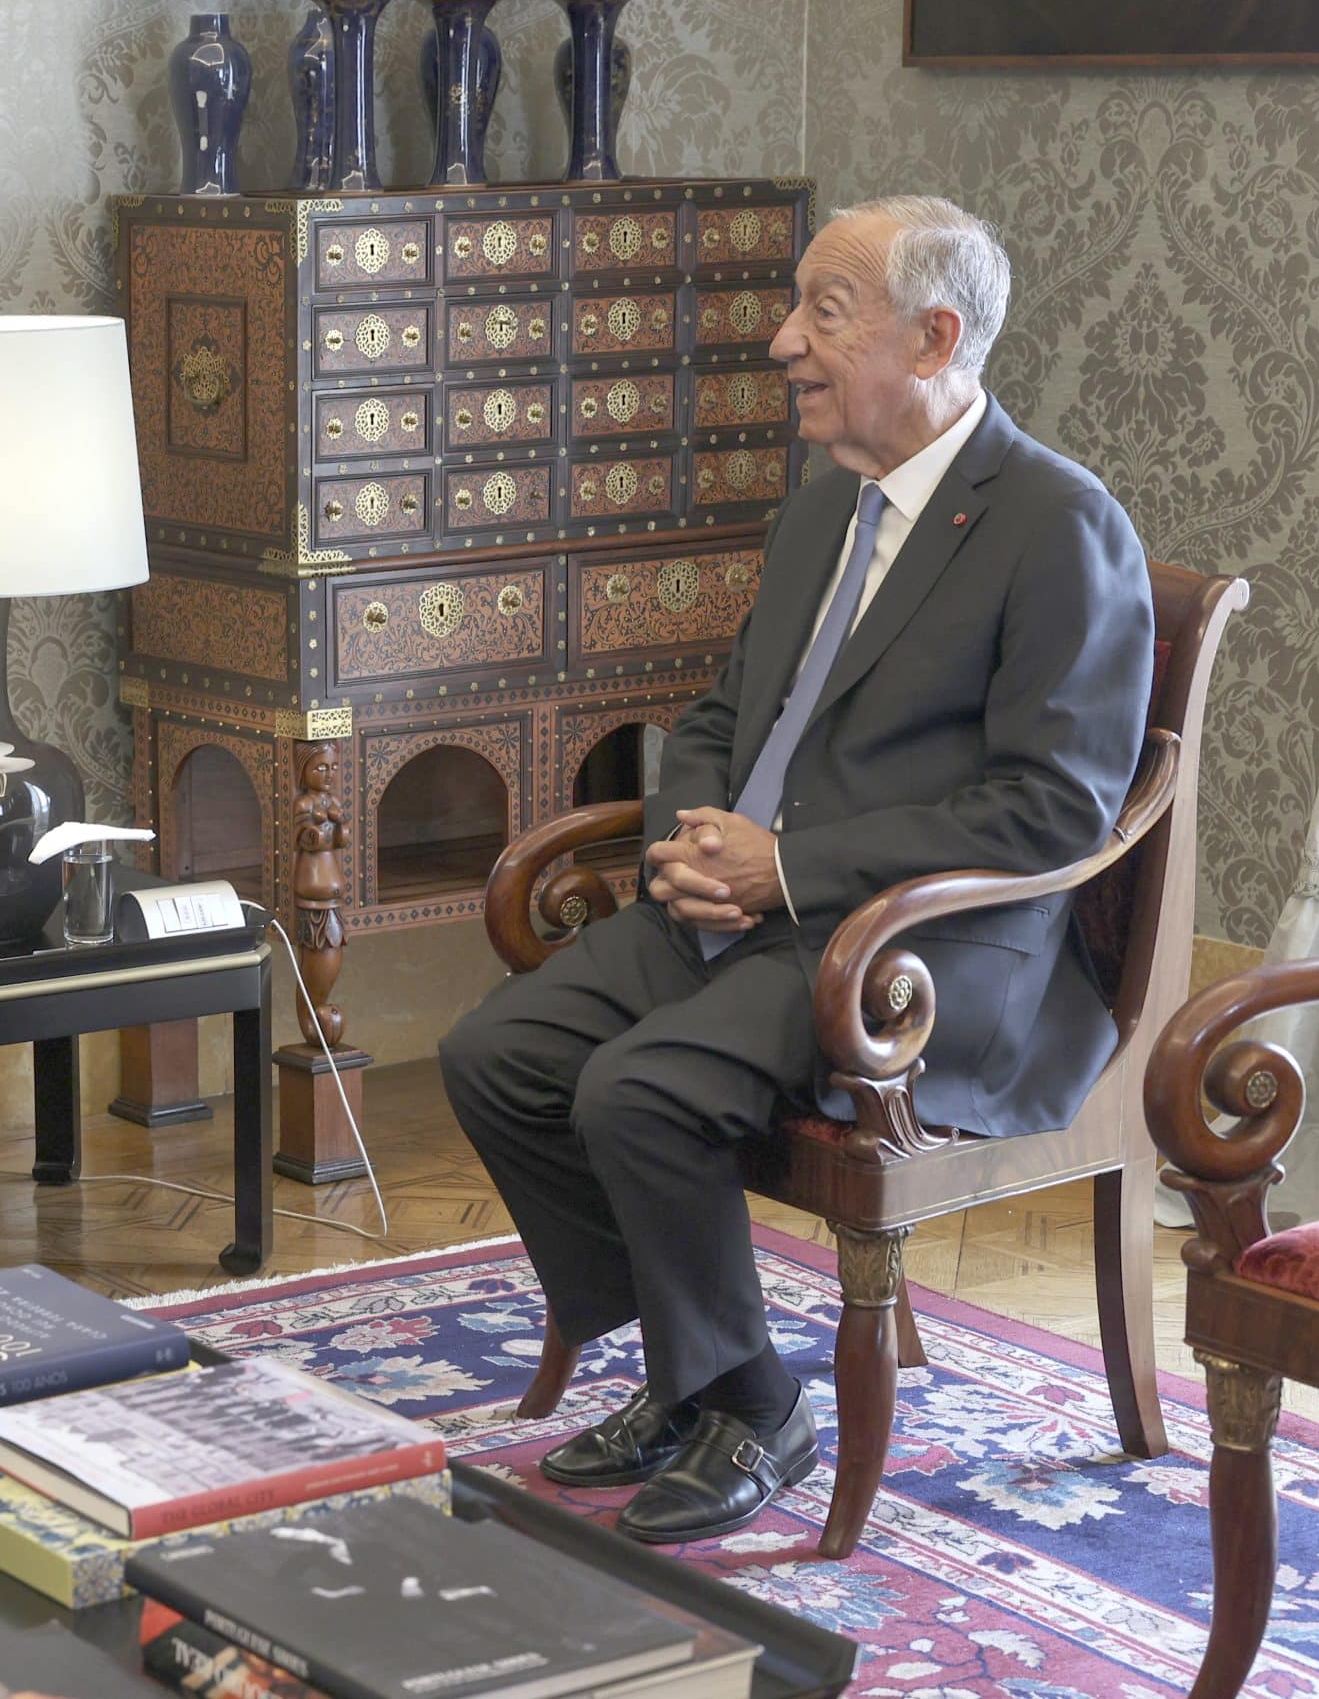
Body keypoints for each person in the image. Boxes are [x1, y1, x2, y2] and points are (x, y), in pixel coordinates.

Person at [437, 197, 1154, 1543]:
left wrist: (795, 866)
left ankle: (753, 1403)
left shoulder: (1058, 524)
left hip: (916, 957)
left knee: (637, 1092)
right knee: (500, 1055)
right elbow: (727, 711)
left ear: (935, 335)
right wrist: (699, 836)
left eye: (822, 314)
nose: (783, 344)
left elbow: (1056, 810)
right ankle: (698, 1377)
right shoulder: (829, 506)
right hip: (762, 909)